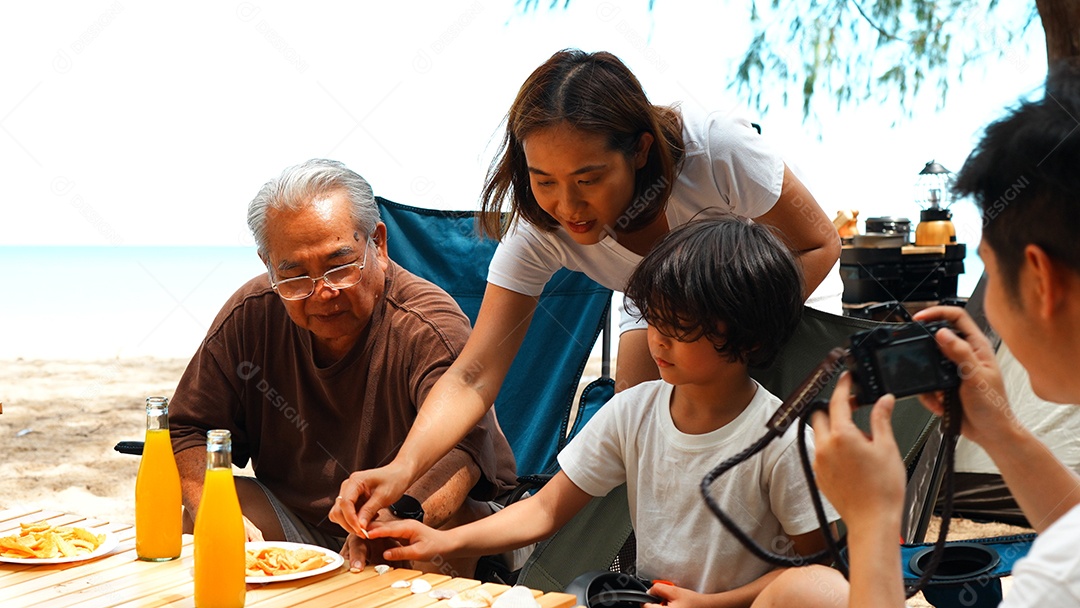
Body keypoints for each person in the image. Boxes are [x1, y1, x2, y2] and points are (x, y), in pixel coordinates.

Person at [332, 48, 843, 533]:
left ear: (641, 150)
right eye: (543, 180)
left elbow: (819, 243)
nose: (567, 205)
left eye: (588, 178)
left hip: (776, 295)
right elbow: (474, 373)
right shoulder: (541, 230)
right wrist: (401, 470)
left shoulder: (718, 152)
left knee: (770, 452)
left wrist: (727, 334)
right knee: (640, 439)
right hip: (657, 306)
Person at [365, 218, 846, 607]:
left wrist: (714, 604)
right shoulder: (634, 412)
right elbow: (544, 508)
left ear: (750, 337)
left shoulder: (783, 440)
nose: (657, 340)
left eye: (679, 328)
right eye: (653, 319)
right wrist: (439, 541)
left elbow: (816, 573)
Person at [754, 62, 1080, 607]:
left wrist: (872, 520)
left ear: (1041, 280)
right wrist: (999, 430)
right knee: (801, 591)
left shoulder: (1057, 581)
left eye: (989, 274)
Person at [167, 159, 518, 575]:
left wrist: (400, 515)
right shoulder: (252, 313)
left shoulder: (426, 323)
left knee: (415, 545)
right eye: (295, 275)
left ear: (379, 245)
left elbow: (463, 453)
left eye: (340, 265)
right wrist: (210, 507)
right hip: (300, 521)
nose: (322, 293)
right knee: (197, 512)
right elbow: (189, 428)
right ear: (269, 266)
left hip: (423, 512)